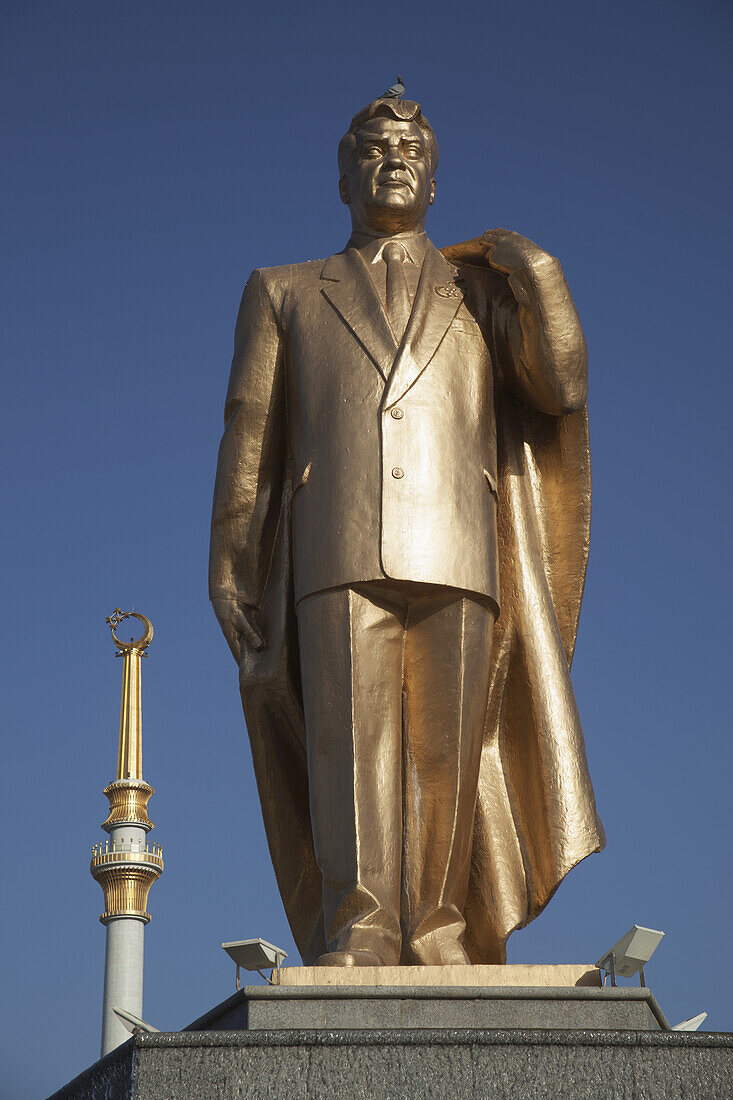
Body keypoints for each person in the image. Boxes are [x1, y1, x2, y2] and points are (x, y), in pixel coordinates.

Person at [210, 94, 605, 967]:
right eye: (375, 147)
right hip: (333, 548)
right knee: (347, 755)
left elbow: (560, 388)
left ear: (434, 178)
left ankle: (436, 928)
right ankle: (360, 927)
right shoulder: (281, 291)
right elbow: (251, 428)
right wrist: (232, 559)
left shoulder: (483, 290)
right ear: (343, 174)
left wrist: (537, 272)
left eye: (411, 148)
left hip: (458, 545)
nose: (394, 158)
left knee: (445, 761)